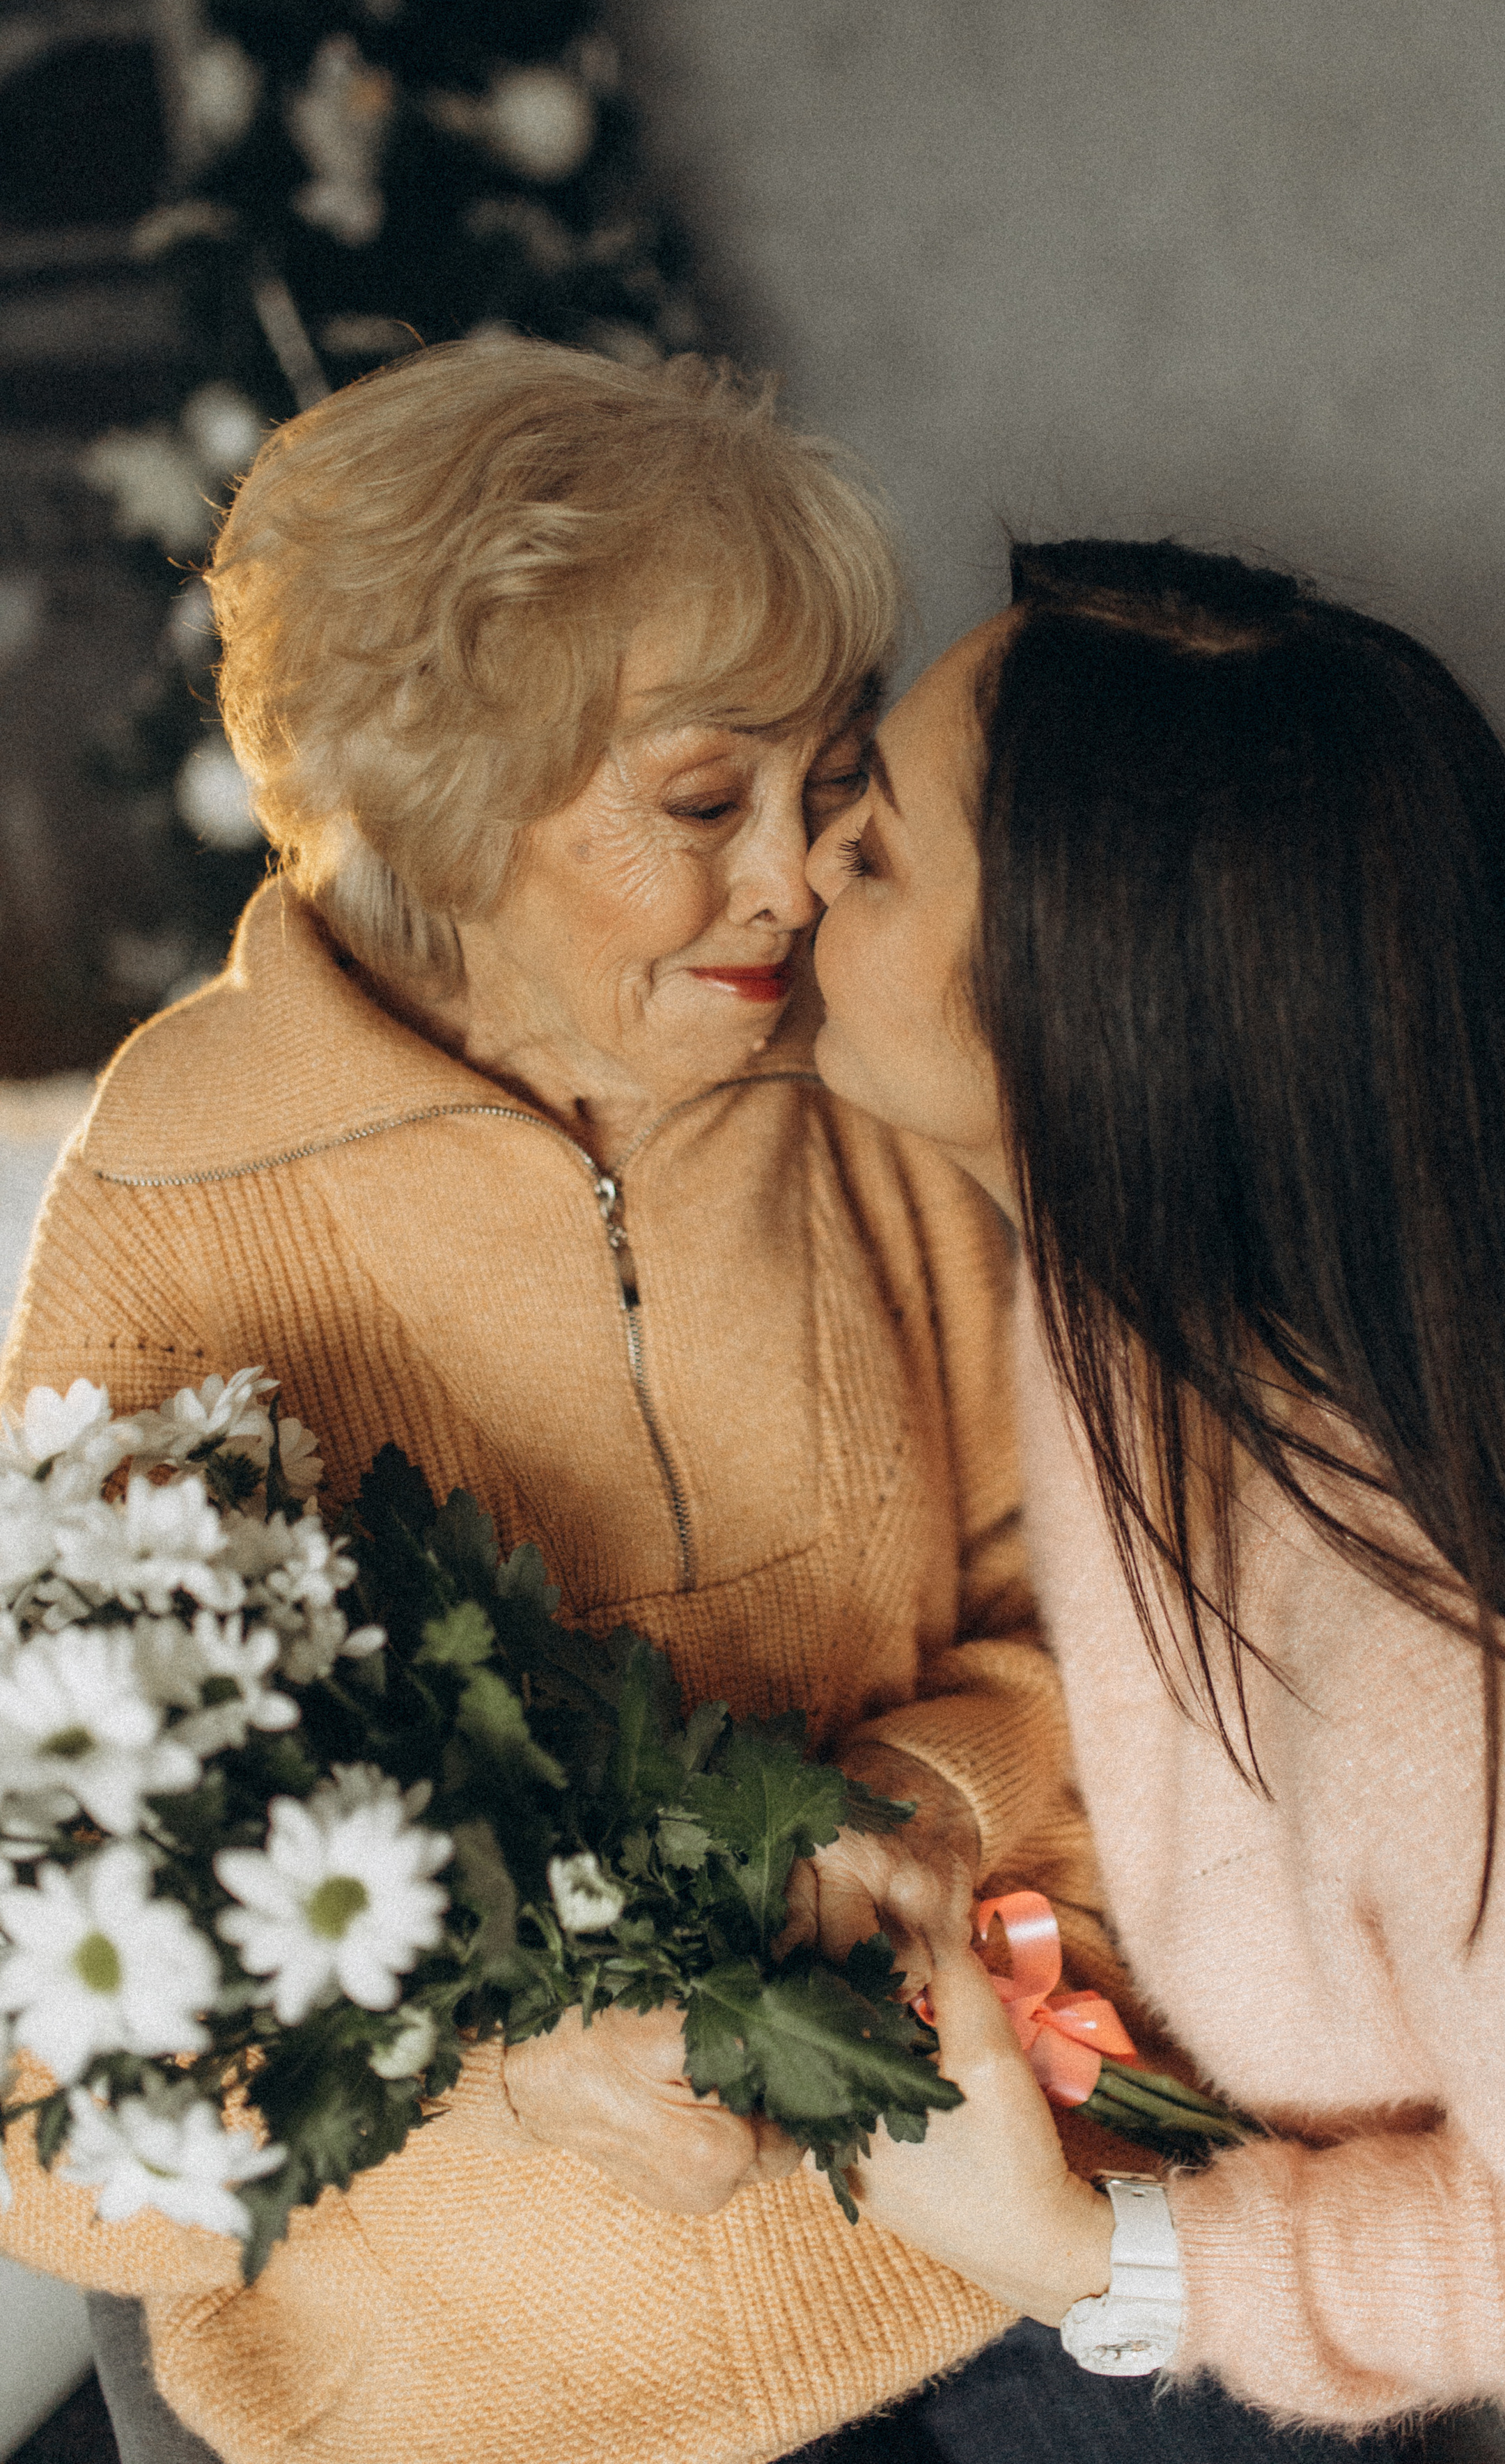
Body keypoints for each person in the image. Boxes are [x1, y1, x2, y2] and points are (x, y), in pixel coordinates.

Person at [0, 347, 1104, 2464]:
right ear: (442, 795)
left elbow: (1117, 1629)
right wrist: (491, 2076)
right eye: (705, 802)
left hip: (970, 2269)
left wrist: (917, 1804)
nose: (795, 880)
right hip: (459, 2404)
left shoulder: (862, 1091)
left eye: (826, 785)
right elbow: (61, 2079)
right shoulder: (172, 1204)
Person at [804, 539, 1505, 2464]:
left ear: (1078, 1008)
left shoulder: (1420, 1653)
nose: (802, 870)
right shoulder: (1142, 1300)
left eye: (876, 850)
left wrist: (1105, 2261)